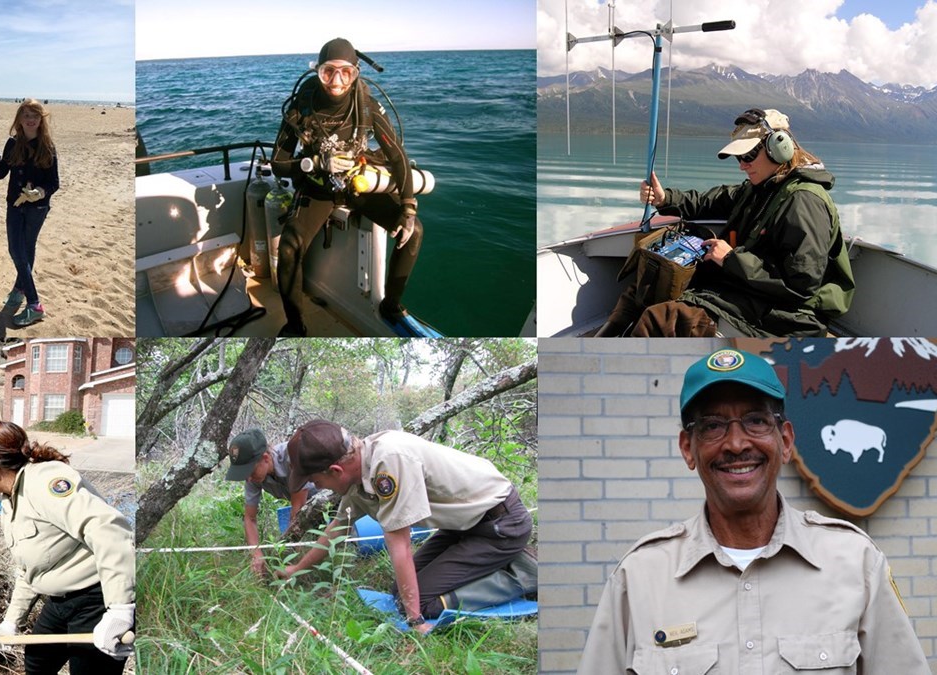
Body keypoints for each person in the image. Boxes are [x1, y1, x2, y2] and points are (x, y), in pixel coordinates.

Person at [577, 348, 927, 672]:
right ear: (688, 449)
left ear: (785, 441)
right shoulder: (639, 578)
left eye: (756, 421)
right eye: (713, 426)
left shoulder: (856, 562)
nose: (736, 443)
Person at [596, 108, 855, 337]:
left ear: (779, 148)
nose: (742, 166)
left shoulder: (804, 202)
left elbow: (800, 284)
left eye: (749, 157)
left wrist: (731, 259)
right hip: (751, 290)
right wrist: (665, 199)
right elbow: (710, 201)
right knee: (644, 289)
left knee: (662, 320)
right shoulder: (761, 188)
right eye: (738, 158)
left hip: (791, 315)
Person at [279, 420, 532, 633]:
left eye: (315, 480)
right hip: (462, 526)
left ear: (335, 470)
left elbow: (399, 543)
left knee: (421, 603)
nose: (318, 487)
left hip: (501, 526)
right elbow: (338, 527)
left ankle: (524, 573)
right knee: (399, 593)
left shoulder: (388, 462)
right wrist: (297, 569)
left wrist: (416, 621)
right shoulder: (360, 471)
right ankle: (494, 562)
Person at [271, 37, 423, 336]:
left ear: (356, 73)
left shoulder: (365, 105)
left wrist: (407, 206)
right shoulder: (302, 106)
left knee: (414, 230)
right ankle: (295, 324)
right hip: (318, 188)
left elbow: (396, 155)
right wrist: (315, 162)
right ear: (317, 71)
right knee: (288, 248)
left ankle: (390, 305)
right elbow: (278, 162)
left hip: (357, 184)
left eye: (346, 73)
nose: (336, 82)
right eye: (328, 72)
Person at [0, 422, 134, 672]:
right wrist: (10, 623)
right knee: (38, 662)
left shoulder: (44, 483)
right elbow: (28, 570)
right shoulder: (10, 501)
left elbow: (109, 531)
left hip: (96, 598)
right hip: (58, 602)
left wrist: (120, 609)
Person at [0, 99, 59, 328]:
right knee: (17, 250)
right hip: (14, 205)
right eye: (26, 116)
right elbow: (1, 173)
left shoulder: (47, 147)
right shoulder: (12, 144)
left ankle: (34, 304)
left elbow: (54, 183)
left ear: (41, 120)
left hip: (37, 208)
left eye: (35, 116)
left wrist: (40, 192)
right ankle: (20, 288)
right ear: (19, 121)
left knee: (24, 250)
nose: (30, 120)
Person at [223, 428, 317, 577]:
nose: (248, 479)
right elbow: (250, 518)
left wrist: (290, 557)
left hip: (333, 494)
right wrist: (257, 554)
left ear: (265, 458)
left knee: (351, 539)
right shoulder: (253, 477)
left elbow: (297, 513)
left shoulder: (291, 457)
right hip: (305, 504)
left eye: (250, 472)